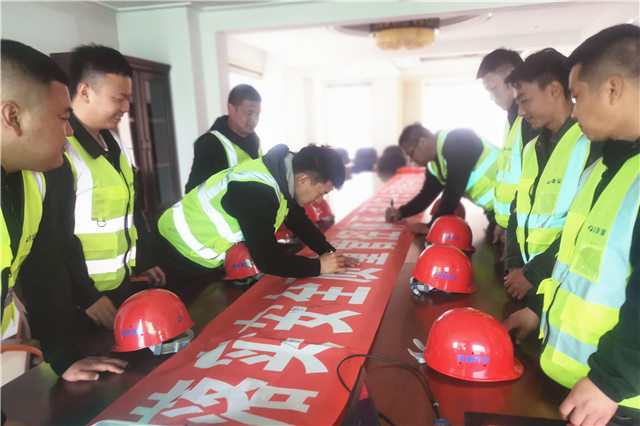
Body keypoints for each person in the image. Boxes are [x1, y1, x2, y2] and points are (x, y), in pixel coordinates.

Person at [505, 24, 640, 426]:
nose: (574, 110)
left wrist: (609, 383)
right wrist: (537, 310)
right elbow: (577, 264)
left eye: (578, 96)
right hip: (583, 383)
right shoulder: (606, 167)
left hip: (619, 401)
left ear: (612, 89)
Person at [1, 39, 127, 381]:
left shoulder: (34, 180)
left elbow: (44, 266)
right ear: (13, 117)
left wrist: (64, 358)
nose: (69, 131)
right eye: (62, 118)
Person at [61, 44, 165, 306]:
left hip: (121, 281)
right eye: (118, 99)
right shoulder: (63, 150)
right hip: (85, 297)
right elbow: (56, 238)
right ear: (85, 92)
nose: (126, 107)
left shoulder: (114, 142)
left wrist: (144, 260)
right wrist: (87, 297)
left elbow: (131, 207)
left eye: (128, 99)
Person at [158, 144, 358, 278]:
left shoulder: (282, 176)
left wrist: (330, 254)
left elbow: (297, 219)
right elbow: (268, 260)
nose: (320, 200)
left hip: (197, 252)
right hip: (178, 255)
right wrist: (319, 266)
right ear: (303, 180)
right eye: (322, 192)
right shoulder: (256, 192)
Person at [502, 48, 600, 301]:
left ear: (554, 90)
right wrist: (514, 262)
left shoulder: (591, 145)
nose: (520, 112)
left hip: (561, 284)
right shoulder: (531, 148)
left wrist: (532, 274)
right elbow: (517, 207)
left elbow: (584, 225)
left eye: (524, 100)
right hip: (526, 282)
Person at [476, 49, 539, 248]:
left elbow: (532, 183)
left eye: (493, 88)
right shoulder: (512, 121)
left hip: (526, 233)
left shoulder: (530, 121)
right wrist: (503, 223)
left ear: (511, 77)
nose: (491, 97)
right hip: (512, 227)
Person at [385, 124, 498, 234]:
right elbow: (426, 196)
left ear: (422, 142)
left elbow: (454, 189)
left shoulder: (457, 140)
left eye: (410, 154)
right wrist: (401, 212)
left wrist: (432, 226)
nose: (411, 160)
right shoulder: (434, 165)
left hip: (508, 205)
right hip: (497, 210)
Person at [184, 84, 262, 192]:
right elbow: (195, 192)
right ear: (231, 109)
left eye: (257, 114)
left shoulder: (254, 139)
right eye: (249, 113)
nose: (254, 120)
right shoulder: (210, 144)